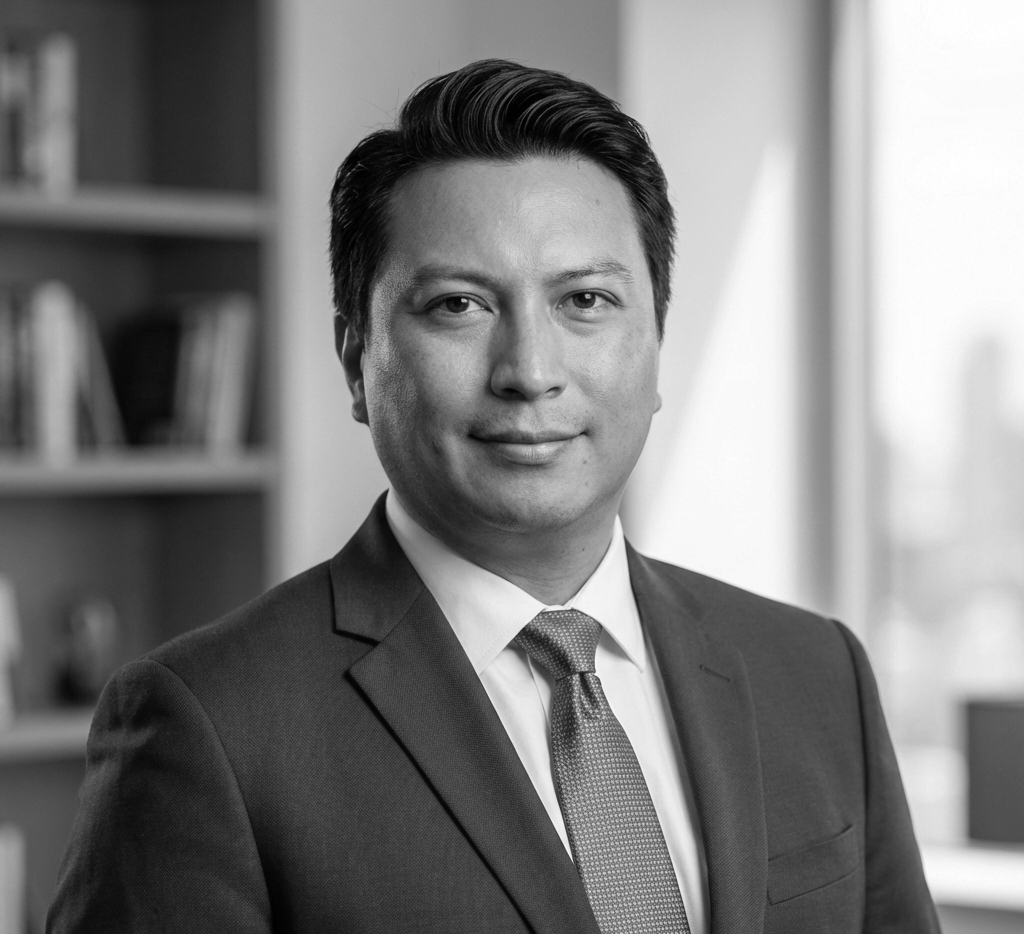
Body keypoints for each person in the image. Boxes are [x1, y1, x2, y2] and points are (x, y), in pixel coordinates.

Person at [48, 60, 939, 934]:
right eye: (458, 307)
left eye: (585, 299)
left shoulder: (817, 674)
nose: (531, 373)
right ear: (356, 358)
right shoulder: (208, 726)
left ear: (657, 339)